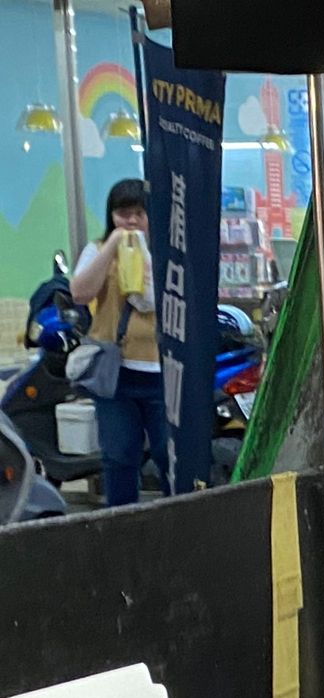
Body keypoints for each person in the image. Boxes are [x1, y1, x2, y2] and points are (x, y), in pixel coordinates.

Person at [68, 178, 183, 506]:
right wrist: (113, 245)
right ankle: (121, 523)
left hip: (163, 373)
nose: (131, 220)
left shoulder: (168, 253)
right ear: (111, 215)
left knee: (168, 454)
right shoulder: (98, 249)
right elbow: (80, 293)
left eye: (139, 213)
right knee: (119, 456)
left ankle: (178, 519)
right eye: (122, 213)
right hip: (115, 375)